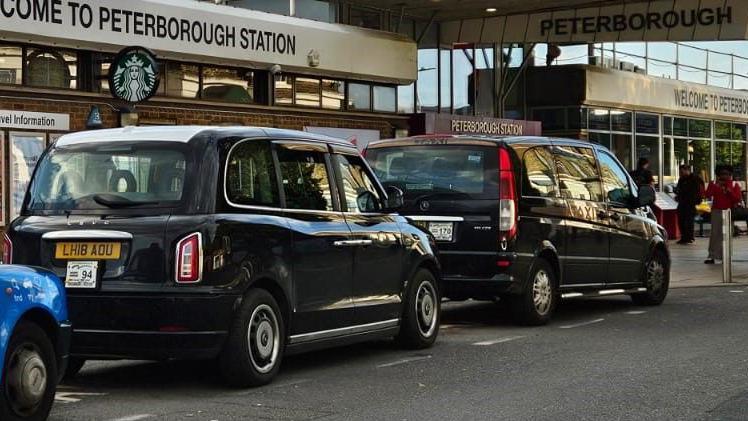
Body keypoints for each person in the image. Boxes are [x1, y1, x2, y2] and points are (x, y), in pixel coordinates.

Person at [704, 168, 743, 264]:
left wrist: (729, 191)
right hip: (716, 211)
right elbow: (707, 194)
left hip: (729, 211)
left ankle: (726, 256)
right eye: (722, 174)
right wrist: (715, 186)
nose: (724, 176)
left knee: (727, 234)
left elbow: (737, 199)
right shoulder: (714, 183)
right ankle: (712, 255)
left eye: (727, 174)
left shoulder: (734, 184)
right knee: (715, 233)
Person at [675, 165, 703, 245]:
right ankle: (684, 237)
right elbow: (679, 189)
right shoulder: (681, 179)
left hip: (691, 203)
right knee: (681, 220)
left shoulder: (695, 179)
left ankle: (689, 237)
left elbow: (698, 191)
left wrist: (696, 200)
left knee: (689, 221)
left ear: (687, 170)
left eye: (681, 171)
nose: (680, 173)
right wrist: (678, 196)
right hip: (682, 202)